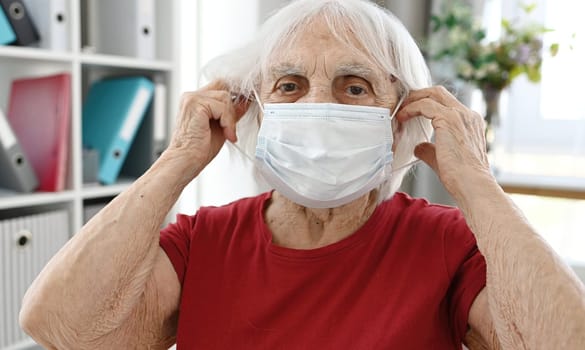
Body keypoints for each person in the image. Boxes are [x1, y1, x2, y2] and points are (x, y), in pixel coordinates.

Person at [19, 0, 585, 349]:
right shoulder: (203, 240)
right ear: (254, 112)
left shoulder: (444, 243)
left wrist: (477, 184)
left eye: (354, 86)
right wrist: (177, 162)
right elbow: (60, 326)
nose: (321, 106)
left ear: (400, 118)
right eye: (289, 86)